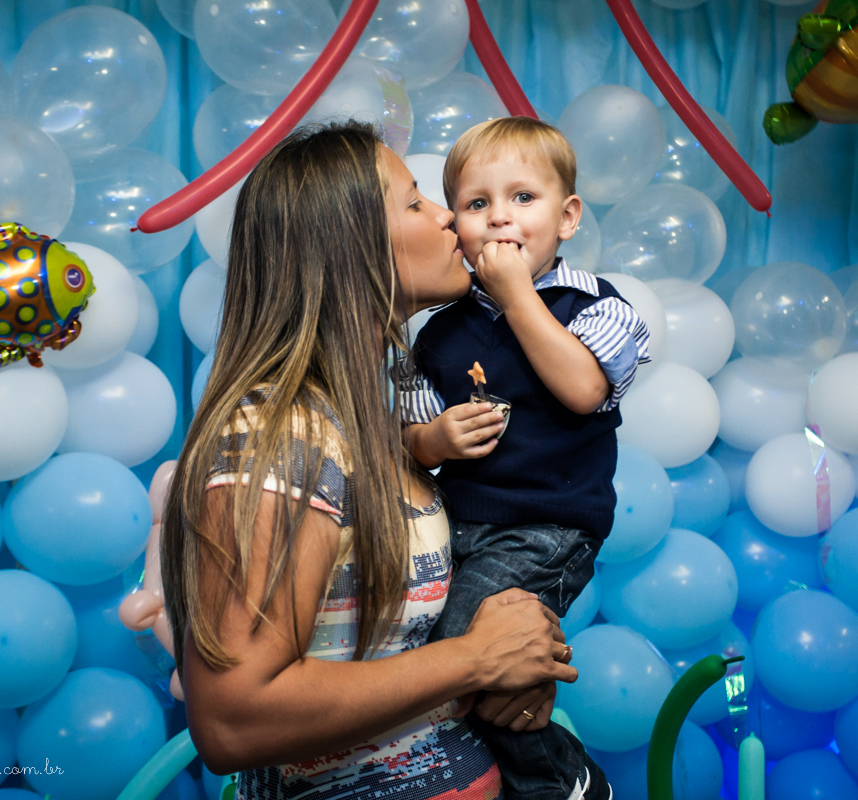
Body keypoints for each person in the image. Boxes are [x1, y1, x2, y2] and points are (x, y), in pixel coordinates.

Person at [159, 121, 577, 800]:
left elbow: (391, 656)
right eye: (414, 202)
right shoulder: (280, 434)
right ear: (348, 247)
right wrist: (474, 659)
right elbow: (234, 720)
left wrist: (511, 671)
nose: (448, 217)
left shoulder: (373, 426)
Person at [399, 116, 652, 800]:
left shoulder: (596, 306)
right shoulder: (440, 331)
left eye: (522, 198)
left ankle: (559, 781)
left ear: (567, 217)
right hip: (457, 524)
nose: (499, 217)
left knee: (464, 645)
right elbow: (410, 437)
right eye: (476, 204)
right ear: (455, 224)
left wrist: (516, 295)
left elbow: (584, 389)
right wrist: (436, 440)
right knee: (426, 651)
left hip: (547, 525)